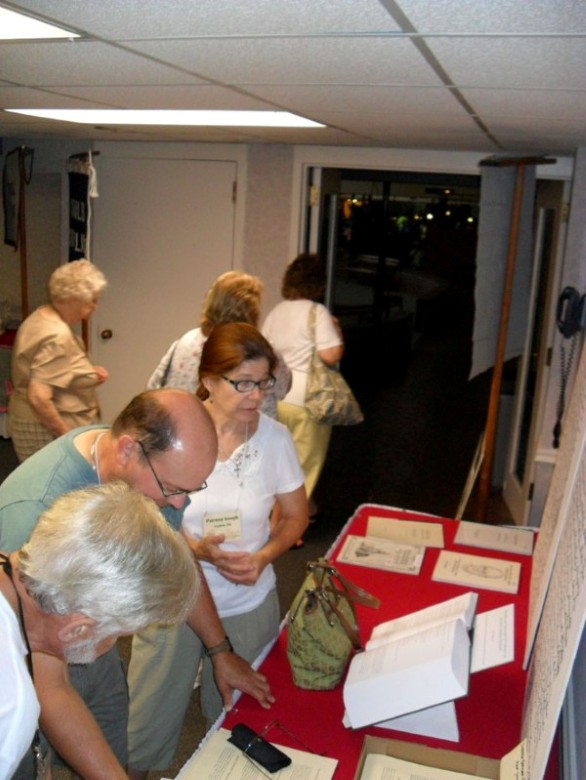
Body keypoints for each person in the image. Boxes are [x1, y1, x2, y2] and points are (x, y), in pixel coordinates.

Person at [0, 388, 274, 779]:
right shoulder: (32, 517)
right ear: (129, 450)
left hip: (65, 640)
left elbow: (174, 556)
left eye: (191, 491)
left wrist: (219, 649)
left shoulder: (134, 466)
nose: (180, 505)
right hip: (39, 660)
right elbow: (51, 686)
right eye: (175, 490)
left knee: (111, 742)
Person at [129, 323, 308, 775]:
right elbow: (142, 513)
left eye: (264, 382)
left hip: (247, 601)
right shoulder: (175, 433)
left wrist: (264, 557)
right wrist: (194, 549)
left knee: (237, 725)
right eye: (243, 382)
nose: (257, 395)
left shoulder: (274, 440)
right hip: (173, 598)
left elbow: (295, 517)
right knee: (144, 726)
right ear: (209, 381)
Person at [0, 481, 199, 779]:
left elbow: (55, 687)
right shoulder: (12, 704)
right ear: (78, 630)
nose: (115, 642)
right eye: (120, 634)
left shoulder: (24, 592)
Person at [262, 253, 344, 527]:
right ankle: (290, 526)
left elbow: (265, 353)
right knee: (305, 467)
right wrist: (338, 334)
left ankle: (303, 510)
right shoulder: (317, 312)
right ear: (318, 283)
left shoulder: (276, 312)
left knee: (283, 462)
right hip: (310, 400)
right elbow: (331, 355)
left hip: (279, 398)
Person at [146, 270, 290, 418]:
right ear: (253, 311)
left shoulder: (185, 341)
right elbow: (282, 389)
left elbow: (154, 385)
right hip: (247, 434)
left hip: (182, 429)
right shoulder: (261, 351)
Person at [8, 258, 109, 462]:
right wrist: (68, 440)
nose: (96, 307)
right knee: (53, 490)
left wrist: (85, 373)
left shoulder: (42, 315)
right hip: (43, 429)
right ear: (74, 299)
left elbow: (49, 367)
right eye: (93, 300)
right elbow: (39, 397)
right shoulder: (58, 336)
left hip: (27, 421)